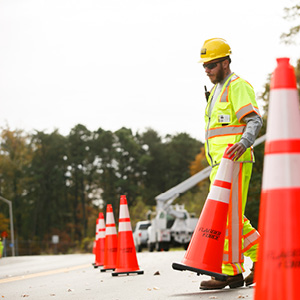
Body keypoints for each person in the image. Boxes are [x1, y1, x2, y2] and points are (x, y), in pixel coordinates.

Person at [199, 38, 262, 290]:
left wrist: (244, 143)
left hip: (235, 161)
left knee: (226, 216)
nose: (207, 70)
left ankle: (229, 272)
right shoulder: (215, 90)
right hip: (220, 165)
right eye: (204, 66)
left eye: (212, 65)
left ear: (225, 62)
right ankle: (247, 264)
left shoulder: (238, 86)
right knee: (229, 216)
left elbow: (254, 120)